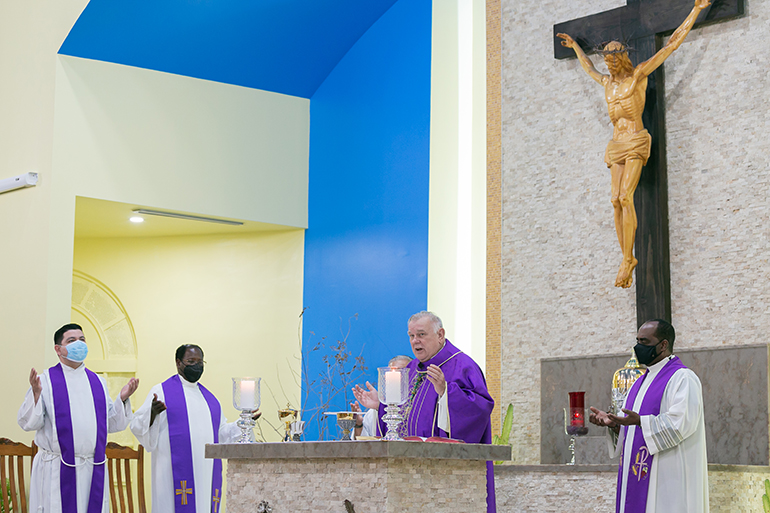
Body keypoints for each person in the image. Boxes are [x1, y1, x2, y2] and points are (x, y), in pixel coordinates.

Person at [556, 0, 711, 288]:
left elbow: (671, 45)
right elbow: (587, 67)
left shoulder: (637, 76)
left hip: (637, 140)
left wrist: (696, 10)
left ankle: (629, 259)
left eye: (614, 60)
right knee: (614, 199)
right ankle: (624, 256)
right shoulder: (607, 83)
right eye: (607, 61)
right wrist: (576, 47)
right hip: (616, 144)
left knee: (626, 196)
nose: (610, 65)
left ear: (623, 58)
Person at [353, 311, 496, 512]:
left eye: (421, 334)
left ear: (440, 334)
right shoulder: (411, 370)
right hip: (409, 471)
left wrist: (447, 392)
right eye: (411, 336)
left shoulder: (463, 365)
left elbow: (481, 409)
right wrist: (382, 405)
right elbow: (403, 419)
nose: (415, 341)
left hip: (447, 475)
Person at [18, 323, 139, 513]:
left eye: (82, 339)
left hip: (92, 467)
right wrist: (35, 395)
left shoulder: (98, 382)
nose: (79, 344)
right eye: (71, 340)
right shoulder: (46, 381)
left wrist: (122, 399)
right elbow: (29, 423)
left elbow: (111, 424)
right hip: (57, 469)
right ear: (58, 349)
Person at [589, 319, 708, 512]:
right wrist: (614, 424)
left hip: (668, 481)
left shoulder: (683, 378)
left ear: (663, 344)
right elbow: (632, 430)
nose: (638, 347)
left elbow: (681, 424)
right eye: (637, 341)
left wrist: (641, 421)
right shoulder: (638, 383)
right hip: (639, 475)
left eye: (644, 342)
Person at [130, 344, 259, 513]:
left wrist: (243, 423)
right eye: (191, 361)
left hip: (205, 473)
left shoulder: (210, 400)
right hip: (170, 475)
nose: (196, 366)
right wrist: (152, 414)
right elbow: (136, 425)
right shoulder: (161, 392)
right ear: (178, 363)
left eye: (200, 362)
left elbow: (221, 436)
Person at [350, 355, 411, 438]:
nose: (398, 377)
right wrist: (358, 424)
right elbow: (363, 444)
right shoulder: (375, 411)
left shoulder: (419, 408)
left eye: (402, 372)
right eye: (392, 373)